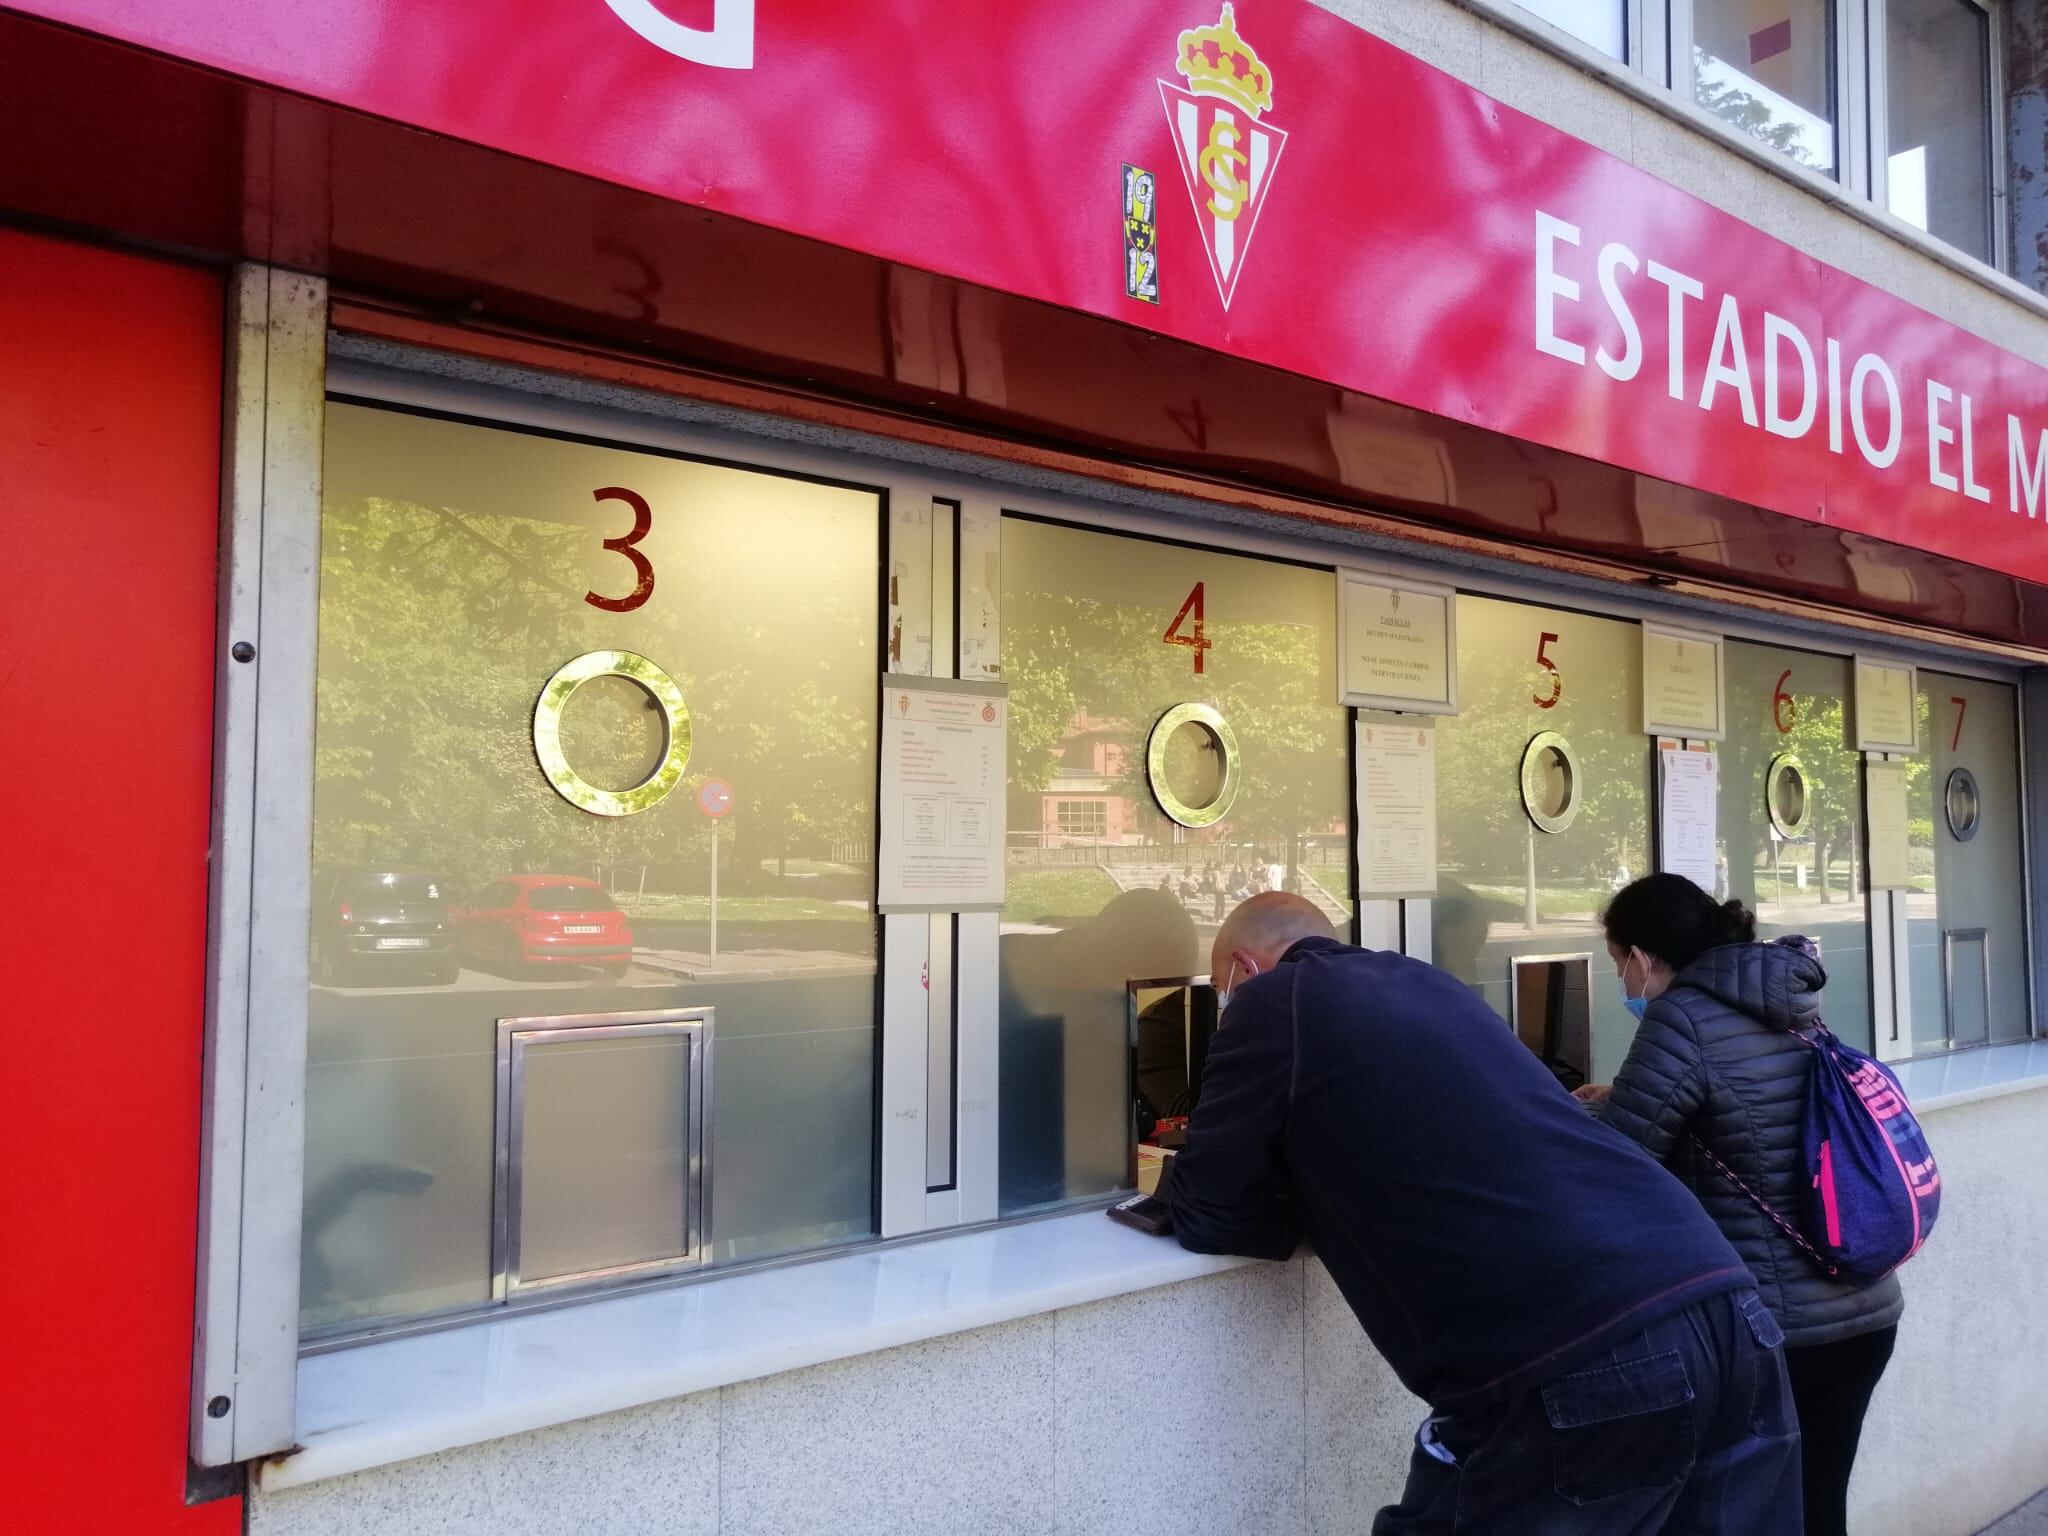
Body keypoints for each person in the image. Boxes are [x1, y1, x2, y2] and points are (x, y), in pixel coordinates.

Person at [1170, 894, 1801, 1535]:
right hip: (1729, 1308)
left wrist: (1299, 1215)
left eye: (1223, 990)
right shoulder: (1425, 983)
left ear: (1244, 971)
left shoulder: (1275, 1002)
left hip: (1585, 1344)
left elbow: (1209, 1207)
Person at [1581, 873, 1904, 1536]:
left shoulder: (1682, 1017)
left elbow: (1619, 1162)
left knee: (1729, 1516)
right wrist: (1623, 1095)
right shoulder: (1788, 997)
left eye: (1618, 965)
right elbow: (1752, 1101)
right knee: (1816, 1510)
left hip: (1776, 1331)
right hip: (1863, 1311)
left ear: (1643, 957)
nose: (1621, 983)